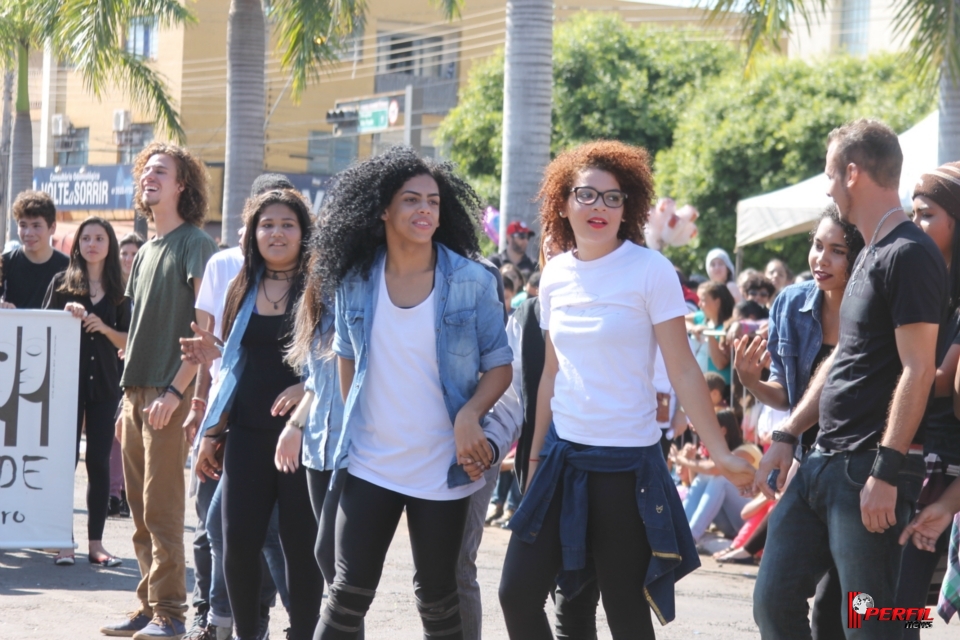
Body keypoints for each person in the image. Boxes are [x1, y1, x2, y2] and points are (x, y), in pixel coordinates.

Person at [498, 140, 755, 639]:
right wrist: (534, 458)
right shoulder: (555, 275)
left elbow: (684, 370)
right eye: (586, 194)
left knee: (626, 617)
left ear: (627, 207)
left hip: (626, 467)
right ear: (563, 203)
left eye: (612, 197)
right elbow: (551, 373)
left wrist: (721, 454)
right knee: (517, 594)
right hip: (561, 461)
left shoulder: (650, 270)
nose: (599, 206)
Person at [311, 146, 513, 639]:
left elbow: (500, 366)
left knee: (438, 598)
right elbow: (347, 358)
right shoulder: (356, 279)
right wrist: (362, 427)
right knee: (346, 594)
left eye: (433, 201)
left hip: (443, 467)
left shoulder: (472, 280)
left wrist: (470, 414)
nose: (425, 209)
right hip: (371, 463)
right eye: (411, 199)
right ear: (383, 209)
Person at [752, 119, 942, 638]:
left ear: (852, 173)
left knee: (870, 623)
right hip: (820, 462)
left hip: (869, 468)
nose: (827, 186)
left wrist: (886, 469)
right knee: (773, 602)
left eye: (829, 174)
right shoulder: (869, 250)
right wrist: (788, 433)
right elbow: (842, 357)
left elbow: (918, 367)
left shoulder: (908, 253)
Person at [185, 189, 319, 640]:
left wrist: (306, 387)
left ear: (303, 232)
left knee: (301, 548)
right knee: (237, 544)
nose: (277, 233)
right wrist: (212, 431)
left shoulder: (321, 286)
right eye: (267, 225)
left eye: (287, 224)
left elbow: (339, 356)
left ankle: (304, 632)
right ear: (253, 234)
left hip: (303, 437)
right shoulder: (241, 285)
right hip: (246, 433)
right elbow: (235, 365)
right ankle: (246, 633)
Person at [100, 142, 218, 640]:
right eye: (146, 170)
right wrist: (126, 400)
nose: (149, 176)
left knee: (163, 509)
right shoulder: (145, 251)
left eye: (161, 171)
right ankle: (148, 606)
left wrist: (176, 393)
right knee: (140, 513)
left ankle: (171, 613)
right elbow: (139, 333)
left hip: (169, 394)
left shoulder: (195, 243)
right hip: (134, 395)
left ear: (181, 185)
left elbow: (205, 331)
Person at [733, 206, 865, 635]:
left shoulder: (877, 305)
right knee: (772, 601)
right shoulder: (791, 303)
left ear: (859, 256)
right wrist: (751, 382)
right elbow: (787, 395)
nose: (821, 259)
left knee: (846, 615)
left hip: (863, 469)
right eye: (817, 245)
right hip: (807, 464)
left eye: (837, 251)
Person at [895, 161, 960, 639]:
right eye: (913, 214)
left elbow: (940, 382)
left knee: (900, 596)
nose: (915, 225)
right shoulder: (919, 280)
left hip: (941, 461)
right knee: (881, 600)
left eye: (927, 214)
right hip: (904, 450)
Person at [43, 217, 129, 567]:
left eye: (99, 238)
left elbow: (128, 341)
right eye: (86, 238)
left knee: (98, 462)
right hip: (66, 385)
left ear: (109, 245)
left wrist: (104, 328)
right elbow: (42, 330)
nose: (92, 244)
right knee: (65, 462)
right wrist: (67, 314)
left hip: (105, 386)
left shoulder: (120, 289)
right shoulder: (61, 283)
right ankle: (62, 541)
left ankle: (96, 544)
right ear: (77, 244)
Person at [675, 409, 758, 543]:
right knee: (705, 477)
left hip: (755, 521)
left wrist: (684, 460)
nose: (704, 432)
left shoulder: (746, 450)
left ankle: (690, 537)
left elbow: (713, 469)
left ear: (723, 430)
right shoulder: (720, 455)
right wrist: (691, 460)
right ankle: (678, 529)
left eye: (709, 427)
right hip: (732, 524)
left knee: (721, 478)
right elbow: (699, 485)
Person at [109, 232, 144, 518]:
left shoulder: (147, 286)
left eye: (134, 254)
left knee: (132, 432)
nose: (128, 259)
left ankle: (126, 493)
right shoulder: (112, 288)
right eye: (124, 253)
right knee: (115, 430)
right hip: (112, 366)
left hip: (139, 367)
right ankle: (114, 492)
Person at [0, 190, 69, 309]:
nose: (28, 233)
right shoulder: (4, 263)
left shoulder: (69, 267)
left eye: (36, 226)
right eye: (23, 225)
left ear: (52, 227)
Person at [687, 281, 735, 385]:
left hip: (719, 389)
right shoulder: (702, 317)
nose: (699, 304)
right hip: (699, 383)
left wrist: (709, 333)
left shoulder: (729, 327)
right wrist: (693, 328)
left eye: (702, 300)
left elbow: (720, 364)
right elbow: (681, 320)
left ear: (717, 302)